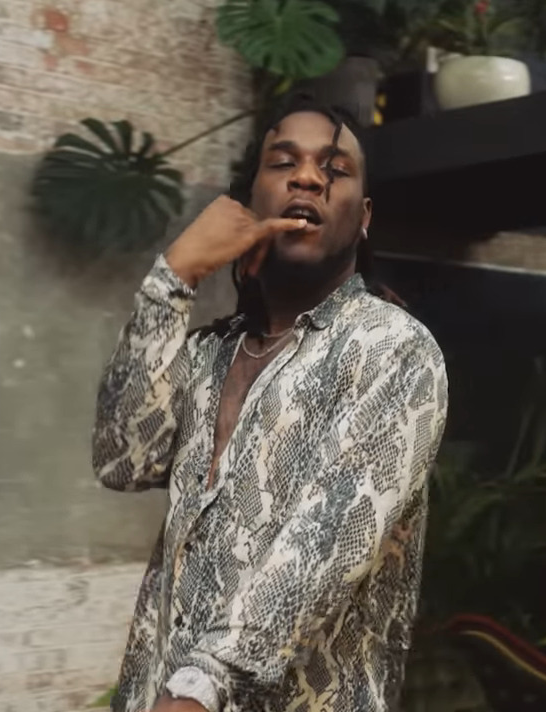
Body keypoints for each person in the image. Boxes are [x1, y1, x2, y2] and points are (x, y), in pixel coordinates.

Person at [91, 97, 450, 712]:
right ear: (248, 202)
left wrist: (197, 690)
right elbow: (124, 461)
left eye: (334, 169)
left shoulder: (394, 348)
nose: (307, 177)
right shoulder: (205, 355)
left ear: (363, 217)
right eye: (283, 163)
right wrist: (174, 277)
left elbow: (323, 543)